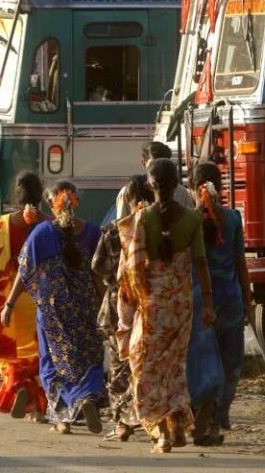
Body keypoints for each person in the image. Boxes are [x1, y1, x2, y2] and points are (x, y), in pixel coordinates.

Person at [116, 158, 216, 453]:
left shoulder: (141, 219)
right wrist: (208, 304)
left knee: (145, 368)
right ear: (177, 185)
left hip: (152, 307)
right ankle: (177, 424)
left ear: (149, 184)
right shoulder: (193, 219)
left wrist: (128, 309)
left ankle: (161, 432)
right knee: (173, 368)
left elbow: (130, 269)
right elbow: (201, 264)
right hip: (182, 306)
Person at [2, 180, 106, 434]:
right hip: (86, 308)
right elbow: (99, 276)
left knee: (53, 361)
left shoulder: (41, 232)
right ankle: (86, 398)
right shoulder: (93, 233)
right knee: (89, 358)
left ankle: (62, 418)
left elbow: (24, 272)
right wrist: (106, 306)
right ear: (76, 201)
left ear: (50, 204)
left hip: (52, 310)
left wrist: (9, 304)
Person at [0, 171, 47, 420]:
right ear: (41, 194)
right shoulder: (50, 223)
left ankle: (20, 388)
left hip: (10, 301)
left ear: (16, 194)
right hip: (41, 300)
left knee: (10, 355)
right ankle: (37, 409)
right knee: (41, 354)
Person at [186, 162, 253, 445]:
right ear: (222, 188)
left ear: (192, 189)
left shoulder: (187, 220)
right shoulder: (233, 219)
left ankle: (205, 413)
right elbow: (241, 264)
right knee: (230, 359)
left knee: (202, 360)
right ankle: (220, 412)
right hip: (230, 299)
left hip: (199, 299)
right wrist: (248, 300)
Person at [92, 174, 154, 442]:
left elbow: (96, 266)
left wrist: (111, 281)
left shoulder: (113, 232)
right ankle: (150, 419)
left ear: (127, 200)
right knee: (147, 364)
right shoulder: (159, 230)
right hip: (151, 305)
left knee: (119, 366)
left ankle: (121, 423)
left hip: (118, 305)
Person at [114, 142, 193, 220]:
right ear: (144, 164)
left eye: (163, 164)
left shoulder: (182, 193)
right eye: (153, 164)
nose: (158, 169)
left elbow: (190, 223)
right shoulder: (128, 192)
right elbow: (121, 226)